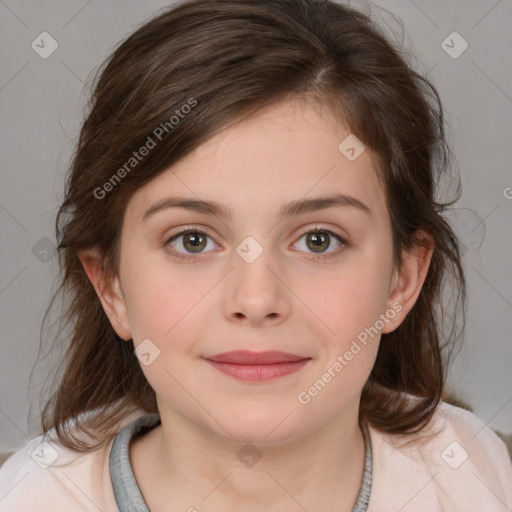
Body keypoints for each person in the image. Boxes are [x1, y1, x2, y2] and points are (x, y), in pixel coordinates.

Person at [1, 0, 511, 510]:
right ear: (111, 285)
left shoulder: (484, 479)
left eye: (318, 240)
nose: (257, 299)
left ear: (402, 278)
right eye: (192, 240)